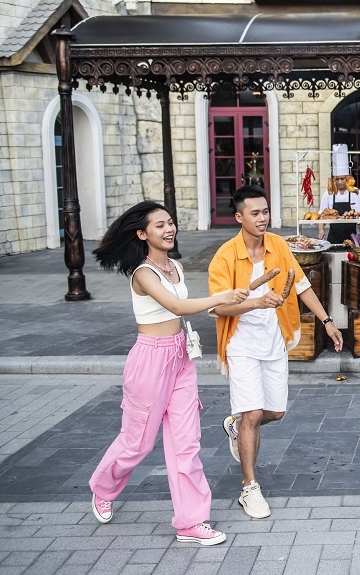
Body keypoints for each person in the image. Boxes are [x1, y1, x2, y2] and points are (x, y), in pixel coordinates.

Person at [89, 201, 248, 546]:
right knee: (138, 443)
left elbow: (183, 311)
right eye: (159, 225)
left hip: (180, 356)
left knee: (186, 442)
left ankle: (190, 522)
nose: (168, 229)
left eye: (170, 222)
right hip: (149, 361)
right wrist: (220, 297)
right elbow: (176, 307)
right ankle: (103, 487)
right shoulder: (143, 273)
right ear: (142, 234)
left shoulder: (174, 265)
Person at [210, 185, 343, 519]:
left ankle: (236, 425)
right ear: (239, 217)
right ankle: (250, 487)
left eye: (265, 211)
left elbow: (300, 285)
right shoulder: (225, 256)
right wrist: (256, 301)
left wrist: (327, 321)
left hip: (274, 342)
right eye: (255, 213)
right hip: (240, 345)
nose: (262, 218)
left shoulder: (278, 245)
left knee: (276, 413)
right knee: (253, 414)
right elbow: (218, 309)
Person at [319, 144, 360, 244]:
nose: (339, 182)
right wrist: (321, 230)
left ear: (347, 178)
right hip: (333, 239)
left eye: (342, 179)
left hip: (353, 239)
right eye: (337, 179)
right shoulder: (328, 194)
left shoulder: (355, 193)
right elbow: (321, 215)